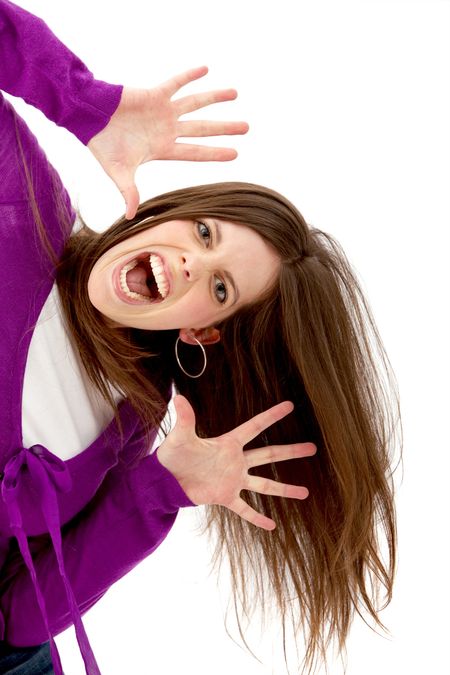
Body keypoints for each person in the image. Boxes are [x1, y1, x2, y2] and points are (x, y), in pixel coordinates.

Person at [0, 1, 400, 674]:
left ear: (203, 328)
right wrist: (84, 102)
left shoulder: (130, 427)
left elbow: (19, 615)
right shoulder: (23, 201)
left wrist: (160, 490)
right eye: (205, 234)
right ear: (178, 215)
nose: (190, 261)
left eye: (218, 288)